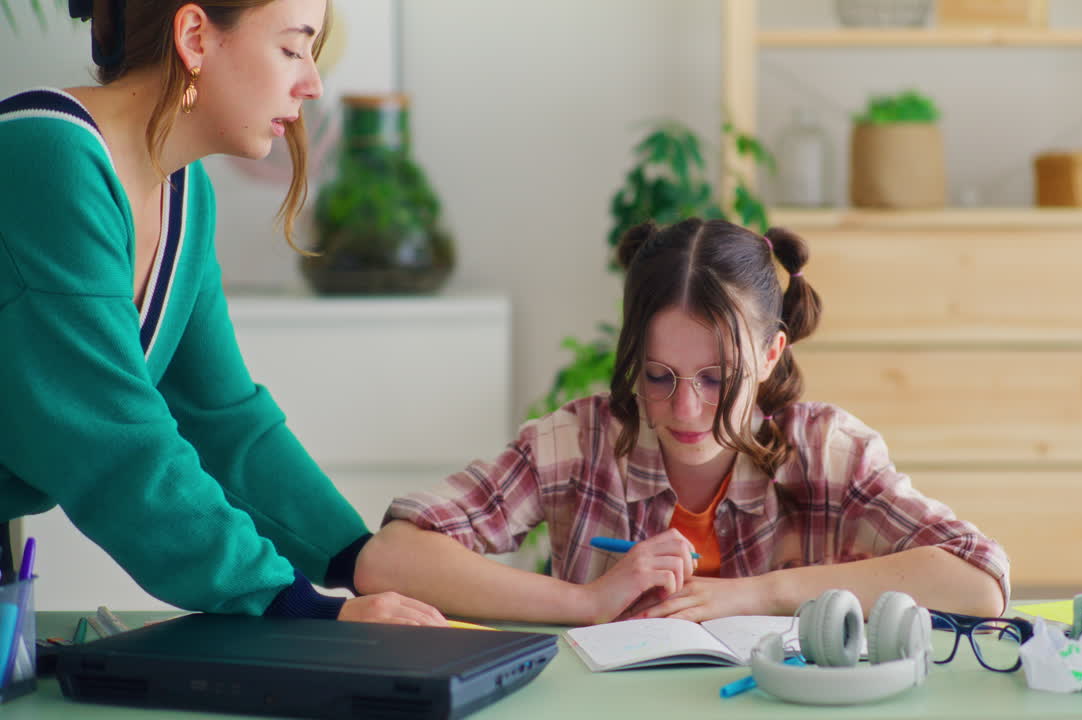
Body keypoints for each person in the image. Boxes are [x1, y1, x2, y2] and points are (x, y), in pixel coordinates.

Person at [0, 0, 444, 625]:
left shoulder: (183, 191)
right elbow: (119, 449)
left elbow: (222, 418)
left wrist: (351, 556)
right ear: (194, 37)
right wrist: (300, 607)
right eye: (293, 48)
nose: (313, 83)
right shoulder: (47, 164)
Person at [355, 217, 1010, 625]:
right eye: (659, 375)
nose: (686, 409)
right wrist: (587, 602)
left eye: (717, 379)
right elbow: (390, 558)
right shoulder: (574, 445)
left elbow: (978, 580)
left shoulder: (829, 451)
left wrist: (757, 596)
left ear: (770, 353)